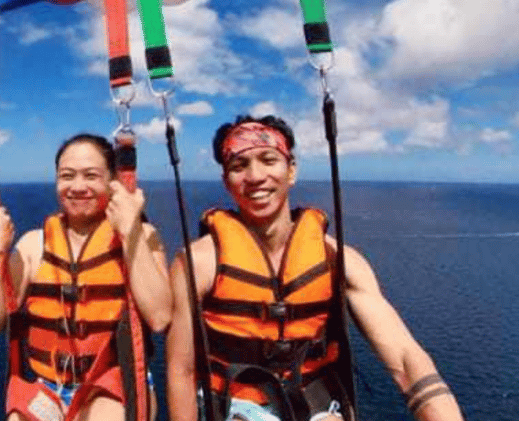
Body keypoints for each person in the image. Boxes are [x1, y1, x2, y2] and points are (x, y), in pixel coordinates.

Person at [166, 115, 464, 421]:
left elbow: (404, 356)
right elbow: (181, 370)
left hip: (317, 403)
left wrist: (439, 410)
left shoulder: (339, 260)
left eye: (269, 160)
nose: (255, 176)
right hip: (236, 406)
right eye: (239, 166)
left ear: (291, 170)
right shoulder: (197, 264)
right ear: (227, 182)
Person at [0, 133, 172, 421]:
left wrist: (130, 230)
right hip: (48, 388)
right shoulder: (33, 246)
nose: (78, 186)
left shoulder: (140, 238)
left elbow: (160, 317)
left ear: (112, 180)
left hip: (114, 386)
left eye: (91, 176)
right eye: (67, 176)